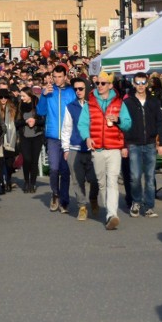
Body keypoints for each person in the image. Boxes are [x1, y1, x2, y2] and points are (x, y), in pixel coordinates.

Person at [77, 72, 132, 230]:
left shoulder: (120, 103)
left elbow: (128, 124)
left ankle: (111, 214)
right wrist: (87, 137)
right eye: (97, 83)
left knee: (112, 181)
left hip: (114, 147)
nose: (99, 86)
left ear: (110, 85)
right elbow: (82, 124)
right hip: (97, 149)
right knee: (101, 183)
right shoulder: (90, 103)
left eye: (102, 83)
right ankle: (109, 211)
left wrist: (119, 120)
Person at [123, 72, 162, 218]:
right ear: (134, 84)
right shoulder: (128, 102)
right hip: (134, 143)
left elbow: (160, 122)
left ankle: (149, 206)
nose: (141, 86)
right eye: (138, 83)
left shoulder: (154, 101)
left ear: (147, 84)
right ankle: (136, 201)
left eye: (143, 83)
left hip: (150, 143)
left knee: (149, 177)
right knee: (135, 176)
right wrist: (124, 144)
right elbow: (123, 125)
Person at [36, 66, 76, 212]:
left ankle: (64, 200)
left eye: (60, 76)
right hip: (52, 136)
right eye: (55, 77)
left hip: (68, 136)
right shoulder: (48, 91)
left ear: (65, 76)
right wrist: (44, 95)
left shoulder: (71, 92)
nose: (57, 79)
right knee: (53, 168)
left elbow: (76, 112)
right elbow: (40, 111)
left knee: (65, 170)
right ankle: (55, 194)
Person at [61, 78, 99, 220]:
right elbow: (66, 129)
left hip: (93, 149)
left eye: (81, 88)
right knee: (77, 180)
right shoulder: (70, 106)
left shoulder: (94, 105)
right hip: (75, 148)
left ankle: (93, 198)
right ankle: (82, 206)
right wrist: (65, 149)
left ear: (87, 89)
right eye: (75, 89)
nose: (78, 91)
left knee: (94, 179)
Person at [15, 89, 44, 193]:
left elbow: (43, 120)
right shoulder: (20, 106)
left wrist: (35, 121)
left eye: (23, 96)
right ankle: (26, 181)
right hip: (24, 136)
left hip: (37, 135)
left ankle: (33, 183)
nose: (21, 98)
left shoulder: (37, 104)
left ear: (29, 96)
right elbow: (16, 122)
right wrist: (25, 121)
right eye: (21, 96)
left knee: (34, 160)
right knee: (27, 159)